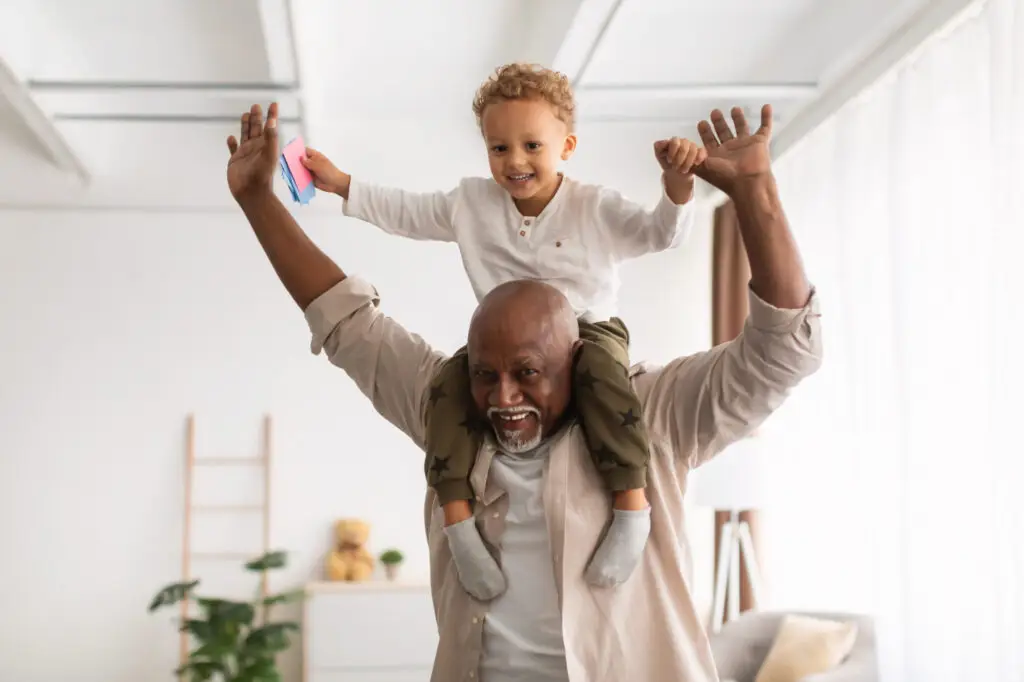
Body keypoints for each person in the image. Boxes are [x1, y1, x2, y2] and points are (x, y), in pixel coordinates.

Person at [225, 100, 822, 682]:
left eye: (529, 373)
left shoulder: (651, 411)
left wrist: (755, 193)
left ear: (576, 360)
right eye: (486, 373)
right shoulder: (448, 404)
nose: (502, 396)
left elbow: (783, 350)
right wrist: (258, 202)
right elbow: (347, 323)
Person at [298, 63, 708, 598]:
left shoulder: (594, 207)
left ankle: (631, 507)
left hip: (586, 330)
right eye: (499, 148)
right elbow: (406, 212)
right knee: (447, 389)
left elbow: (660, 234)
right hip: (501, 342)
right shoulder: (471, 204)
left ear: (567, 145)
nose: (514, 161)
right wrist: (340, 184)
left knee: (607, 380)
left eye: (532, 146)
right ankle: (459, 524)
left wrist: (677, 186)